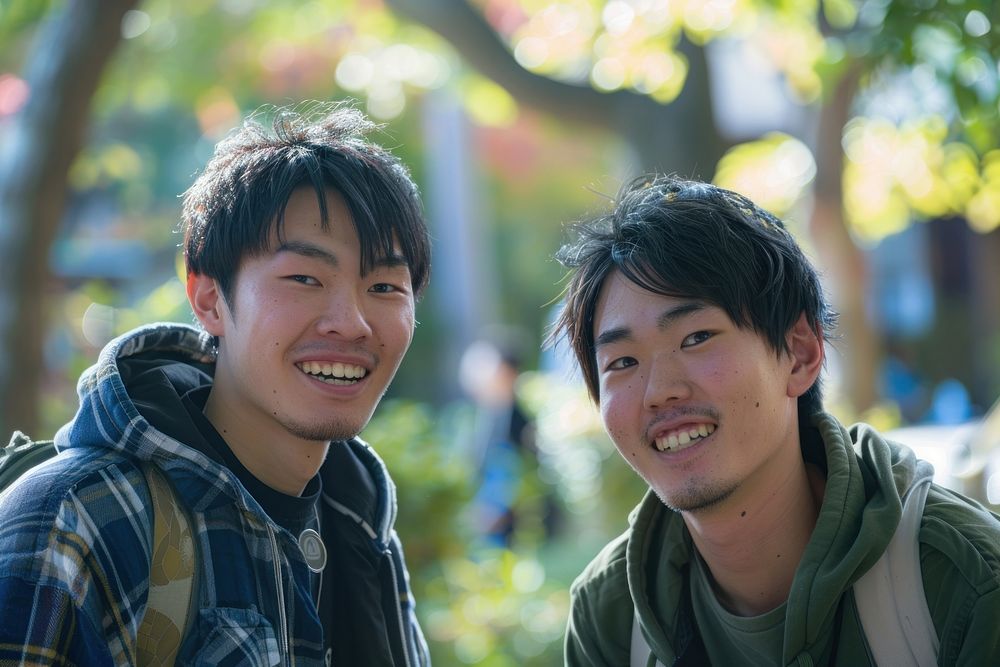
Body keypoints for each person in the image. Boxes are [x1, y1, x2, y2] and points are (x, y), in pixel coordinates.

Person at [0, 104, 431, 665]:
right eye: (304, 278)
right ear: (208, 299)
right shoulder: (77, 518)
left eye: (384, 286)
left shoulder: (359, 523)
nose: (351, 322)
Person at [549, 175, 1000, 666]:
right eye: (622, 363)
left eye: (697, 337)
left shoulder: (965, 585)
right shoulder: (610, 618)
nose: (659, 392)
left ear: (800, 353)